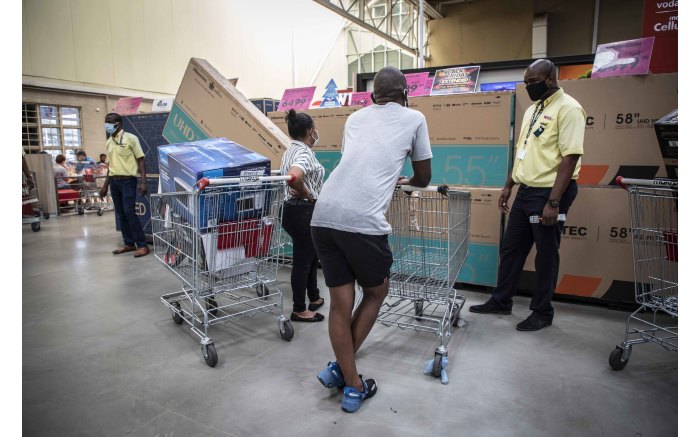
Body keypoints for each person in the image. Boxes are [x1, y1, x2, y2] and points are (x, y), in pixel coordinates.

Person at [310, 66, 432, 413]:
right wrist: (402, 178)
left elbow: (358, 163)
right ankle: (353, 384)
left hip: (324, 214)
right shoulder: (414, 119)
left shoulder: (355, 119)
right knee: (377, 292)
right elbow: (424, 177)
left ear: (372, 96)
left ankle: (342, 371)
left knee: (339, 304)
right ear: (406, 93)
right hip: (362, 220)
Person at [469, 59, 585, 332]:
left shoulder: (568, 109)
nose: (528, 87)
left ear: (550, 78)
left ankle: (542, 311)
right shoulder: (534, 109)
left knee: (545, 254)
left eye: (532, 82)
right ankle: (501, 300)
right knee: (511, 249)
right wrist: (509, 184)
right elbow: (523, 150)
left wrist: (553, 202)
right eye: (525, 82)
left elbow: (570, 158)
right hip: (526, 190)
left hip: (549, 193)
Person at [280, 110, 326, 323]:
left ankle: (314, 297)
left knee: (309, 255)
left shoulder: (291, 149)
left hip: (291, 210)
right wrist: (307, 194)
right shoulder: (304, 153)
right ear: (310, 131)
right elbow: (294, 176)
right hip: (302, 210)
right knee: (302, 261)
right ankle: (299, 309)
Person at [99, 112, 150, 258]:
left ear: (118, 123)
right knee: (120, 214)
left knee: (129, 212)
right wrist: (105, 186)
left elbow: (141, 160)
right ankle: (128, 243)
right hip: (114, 182)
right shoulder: (109, 142)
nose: (107, 125)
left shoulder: (131, 138)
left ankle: (142, 245)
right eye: (105, 122)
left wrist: (143, 182)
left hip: (128, 180)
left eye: (109, 122)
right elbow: (111, 166)